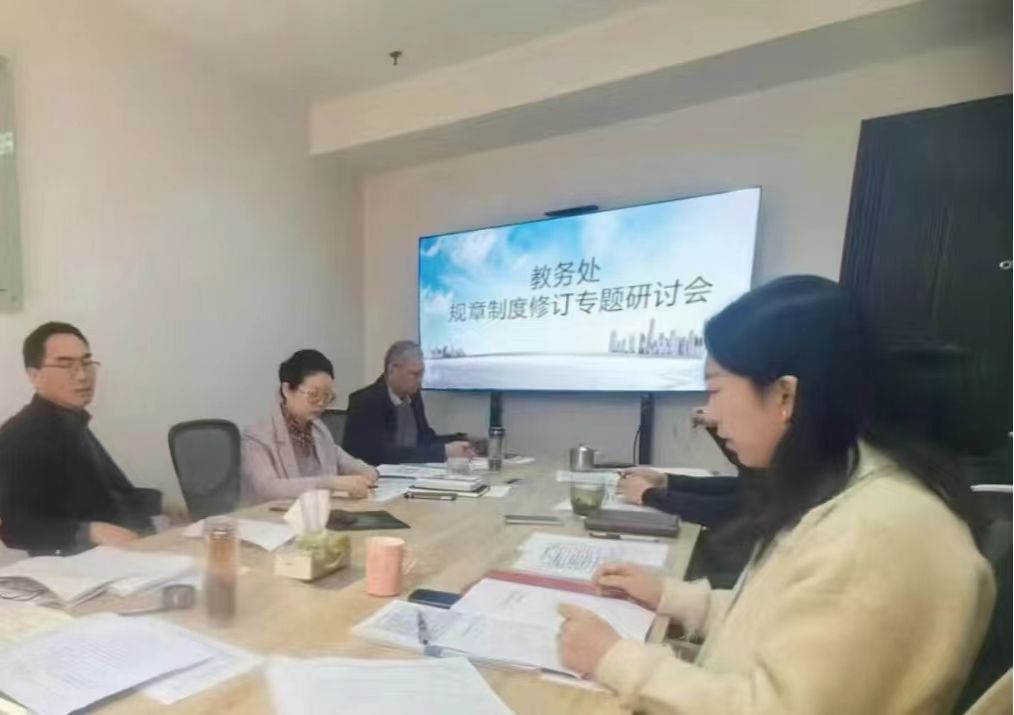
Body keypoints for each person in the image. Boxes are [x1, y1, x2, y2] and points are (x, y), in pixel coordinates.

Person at [556, 276, 995, 714]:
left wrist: (614, 658)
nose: (710, 414)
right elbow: (779, 624)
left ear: (785, 393)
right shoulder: (853, 490)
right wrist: (675, 598)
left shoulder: (879, 536)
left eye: (715, 390)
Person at [0, 322, 163, 555]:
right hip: (72, 566)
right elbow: (13, 528)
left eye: (86, 363)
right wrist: (89, 531)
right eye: (66, 365)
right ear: (34, 375)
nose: (82, 375)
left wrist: (160, 503)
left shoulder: (72, 422)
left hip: (121, 555)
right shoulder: (19, 435)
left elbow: (111, 495)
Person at [241, 350, 378, 504]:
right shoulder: (257, 435)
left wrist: (367, 474)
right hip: (273, 516)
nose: (321, 403)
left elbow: (353, 466)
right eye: (314, 395)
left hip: (318, 514)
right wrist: (329, 484)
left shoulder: (319, 430)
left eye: (327, 396)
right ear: (287, 390)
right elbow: (267, 488)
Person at [342, 341, 474, 465]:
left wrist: (463, 439)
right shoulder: (365, 401)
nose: (420, 381)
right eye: (414, 374)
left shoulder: (413, 397)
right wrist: (443, 452)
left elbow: (425, 439)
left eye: (421, 374)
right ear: (392, 369)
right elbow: (380, 454)